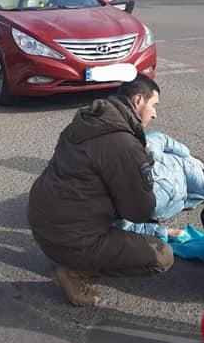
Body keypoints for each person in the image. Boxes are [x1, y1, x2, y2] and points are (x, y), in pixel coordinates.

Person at [28, 75, 173, 307]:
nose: (154, 114)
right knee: (162, 256)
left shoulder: (88, 120)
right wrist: (145, 175)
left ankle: (72, 255)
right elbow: (140, 211)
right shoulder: (125, 146)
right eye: (153, 105)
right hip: (69, 237)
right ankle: (74, 271)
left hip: (41, 221)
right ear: (137, 100)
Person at [112, 130, 204, 241]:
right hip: (179, 187)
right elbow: (159, 138)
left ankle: (198, 181)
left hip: (178, 185)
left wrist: (164, 232)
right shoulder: (123, 202)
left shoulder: (123, 203)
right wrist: (187, 155)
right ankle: (198, 180)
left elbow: (124, 226)